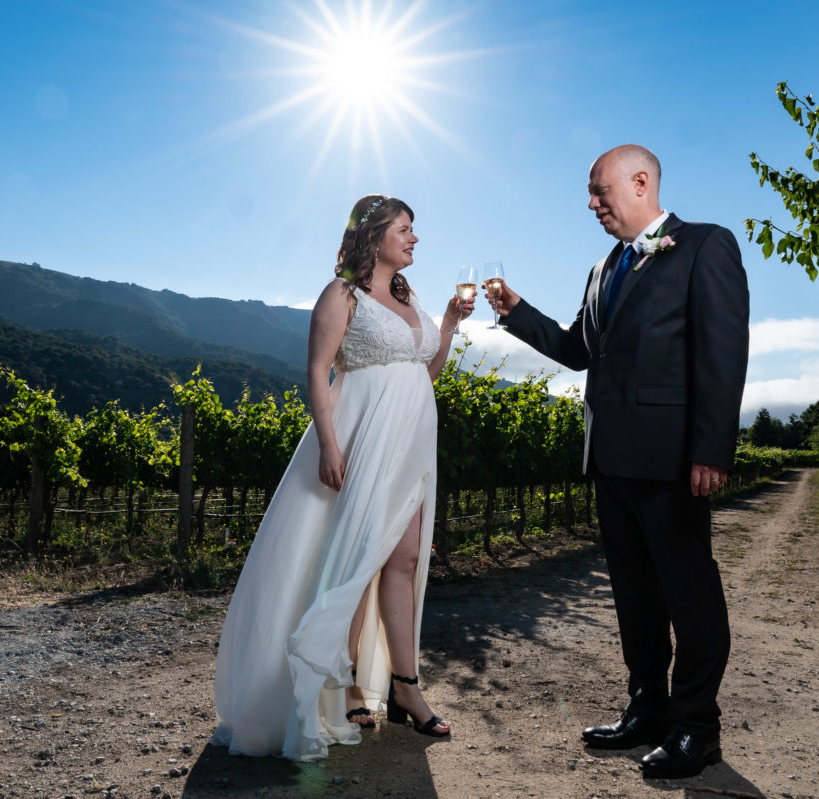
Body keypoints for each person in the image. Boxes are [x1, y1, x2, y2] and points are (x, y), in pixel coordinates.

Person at [491, 145, 749, 779]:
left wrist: (711, 449)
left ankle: (696, 727)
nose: (592, 203)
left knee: (689, 597)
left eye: (600, 190)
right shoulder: (605, 266)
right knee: (634, 597)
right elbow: (580, 350)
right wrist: (517, 313)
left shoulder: (704, 245)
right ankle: (647, 710)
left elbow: (723, 352)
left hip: (672, 461)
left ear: (640, 181)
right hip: (610, 459)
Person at [210, 195, 472, 761]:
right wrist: (329, 445)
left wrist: (447, 326)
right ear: (374, 235)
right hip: (362, 439)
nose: (414, 239)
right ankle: (344, 683)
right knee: (359, 559)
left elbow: (421, 373)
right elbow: (317, 370)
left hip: (411, 443)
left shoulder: (409, 299)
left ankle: (406, 687)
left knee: (403, 560)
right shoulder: (341, 294)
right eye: (405, 229)